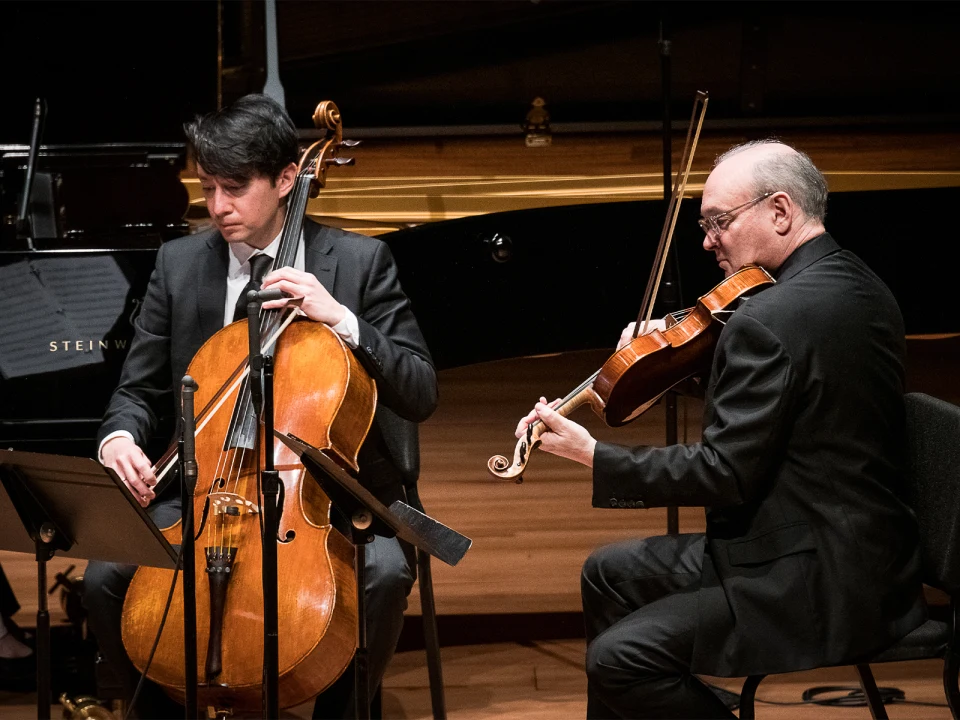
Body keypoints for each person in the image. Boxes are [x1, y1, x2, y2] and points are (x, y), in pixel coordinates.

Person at [516, 140, 926, 718]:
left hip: (810, 579)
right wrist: (671, 365)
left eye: (718, 222)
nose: (708, 240)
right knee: (607, 573)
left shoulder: (767, 317)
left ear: (780, 211)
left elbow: (723, 473)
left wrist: (594, 455)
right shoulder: (856, 283)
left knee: (618, 659)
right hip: (872, 559)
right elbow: (793, 398)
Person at [82, 93, 438, 719]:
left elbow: (420, 390)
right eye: (207, 187)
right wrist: (119, 439)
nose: (217, 207)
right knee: (105, 579)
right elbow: (137, 391)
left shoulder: (359, 264)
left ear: (285, 178)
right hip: (203, 489)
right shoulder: (179, 264)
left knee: (381, 577)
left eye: (234, 189)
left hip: (329, 496)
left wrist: (344, 320)